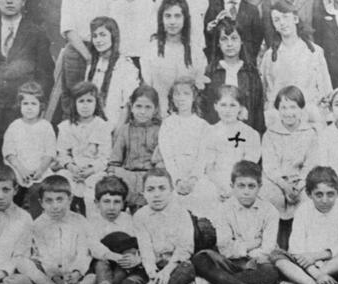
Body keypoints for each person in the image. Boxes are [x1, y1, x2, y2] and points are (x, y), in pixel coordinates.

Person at [0, 0, 54, 168]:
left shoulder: (37, 34)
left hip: (23, 113)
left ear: (23, 1)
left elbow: (45, 74)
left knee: (24, 164)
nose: (9, 1)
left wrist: (35, 107)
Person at [191, 161, 279, 284]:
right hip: (229, 262)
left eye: (251, 186)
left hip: (256, 261)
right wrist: (253, 244)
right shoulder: (224, 209)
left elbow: (268, 247)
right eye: (241, 186)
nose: (246, 191)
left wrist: (248, 253)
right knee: (200, 259)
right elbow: (225, 249)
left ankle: (212, 282)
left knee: (270, 272)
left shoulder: (270, 211)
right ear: (232, 186)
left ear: (260, 187)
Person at [271, 166, 338, 284]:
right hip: (306, 265)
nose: (325, 200)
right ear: (309, 194)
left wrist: (317, 256)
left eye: (330, 194)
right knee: (277, 256)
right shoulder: (303, 210)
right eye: (319, 195)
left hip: (333, 265)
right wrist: (317, 274)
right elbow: (296, 249)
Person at [15, 175, 97, 284]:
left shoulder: (80, 221)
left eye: (60, 200)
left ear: (70, 199)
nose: (55, 206)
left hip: (76, 272)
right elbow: (44, 256)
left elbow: (84, 251)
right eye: (49, 201)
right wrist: (55, 277)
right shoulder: (38, 225)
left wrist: (76, 273)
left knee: (93, 277)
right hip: (50, 274)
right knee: (24, 263)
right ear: (41, 203)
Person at [260, 86, 320, 246]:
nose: (288, 113)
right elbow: (270, 166)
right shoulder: (270, 134)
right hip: (277, 181)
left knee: (307, 199)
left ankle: (301, 245)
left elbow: (310, 164)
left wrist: (300, 184)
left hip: (301, 181)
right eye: (283, 108)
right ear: (278, 110)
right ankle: (273, 244)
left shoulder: (310, 133)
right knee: (271, 196)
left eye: (293, 107)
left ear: (301, 109)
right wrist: (284, 186)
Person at [59, 0, 117, 113]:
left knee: (99, 97)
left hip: (102, 50)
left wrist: (102, 53)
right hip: (77, 50)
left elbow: (110, 26)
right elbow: (68, 28)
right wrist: (87, 56)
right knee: (74, 98)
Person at [123, 168, 196, 284]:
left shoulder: (181, 213)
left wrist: (166, 272)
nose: (156, 194)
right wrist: (152, 276)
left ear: (171, 191)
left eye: (162, 188)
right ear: (143, 193)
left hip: (176, 265)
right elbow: (145, 250)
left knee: (183, 273)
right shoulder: (140, 216)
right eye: (150, 189)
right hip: (153, 267)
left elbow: (184, 249)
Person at [259, 0, 332, 127]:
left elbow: (326, 90)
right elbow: (265, 91)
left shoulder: (314, 52)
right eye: (276, 20)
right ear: (274, 25)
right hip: (280, 120)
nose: (282, 23)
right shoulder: (269, 56)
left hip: (309, 119)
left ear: (295, 19)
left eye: (285, 17)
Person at [152, 77, 217, 218]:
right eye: (177, 94)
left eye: (186, 94)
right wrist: (177, 179)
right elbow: (168, 157)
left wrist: (193, 179)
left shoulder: (203, 126)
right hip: (173, 173)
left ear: (194, 97)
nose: (181, 98)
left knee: (207, 193)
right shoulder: (167, 124)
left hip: (196, 174)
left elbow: (202, 157)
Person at [142, 0, 208, 110]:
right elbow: (148, 89)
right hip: (159, 113)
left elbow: (199, 87)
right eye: (168, 16)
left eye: (177, 16)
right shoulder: (151, 50)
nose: (172, 22)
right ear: (161, 19)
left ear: (185, 19)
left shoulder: (196, 51)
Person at [56, 81, 112, 215]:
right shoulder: (66, 126)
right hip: (73, 170)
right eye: (81, 101)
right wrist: (71, 167)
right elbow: (62, 154)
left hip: (94, 171)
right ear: (74, 103)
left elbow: (105, 157)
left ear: (96, 103)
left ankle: (91, 221)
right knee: (60, 184)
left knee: (94, 192)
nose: (85, 105)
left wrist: (90, 171)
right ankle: (64, 220)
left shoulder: (102, 126)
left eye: (89, 101)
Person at [2, 81, 56, 219]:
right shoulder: (15, 126)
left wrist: (40, 170)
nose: (29, 108)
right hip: (19, 168)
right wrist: (21, 170)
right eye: (25, 104)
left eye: (33, 104)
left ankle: (36, 220)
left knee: (38, 190)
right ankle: (12, 219)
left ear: (41, 106)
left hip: (39, 169)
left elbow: (49, 152)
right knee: (13, 189)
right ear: (19, 105)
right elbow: (9, 152)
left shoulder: (45, 127)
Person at [202, 17, 266, 134]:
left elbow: (258, 113)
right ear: (218, 43)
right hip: (217, 135)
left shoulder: (251, 74)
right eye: (224, 39)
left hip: (245, 135)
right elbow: (205, 110)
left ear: (241, 41)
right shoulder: (211, 73)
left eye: (234, 38)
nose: (229, 44)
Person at [106, 85, 163, 211]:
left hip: (150, 177)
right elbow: (114, 161)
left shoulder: (160, 131)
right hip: (127, 176)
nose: (142, 112)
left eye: (148, 107)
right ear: (131, 107)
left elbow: (161, 161)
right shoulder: (125, 130)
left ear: (155, 109)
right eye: (138, 106)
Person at [203, 85, 263, 204]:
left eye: (232, 105)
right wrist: (220, 186)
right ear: (216, 106)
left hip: (242, 180)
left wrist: (233, 189)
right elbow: (209, 167)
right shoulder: (210, 132)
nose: (227, 110)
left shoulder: (250, 134)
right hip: (216, 180)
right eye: (223, 105)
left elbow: (248, 168)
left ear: (240, 107)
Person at [88, 176, 143, 284]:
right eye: (106, 201)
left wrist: (136, 258)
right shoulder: (92, 222)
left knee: (130, 249)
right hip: (104, 259)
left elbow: (139, 242)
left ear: (123, 204)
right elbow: (93, 246)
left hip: (125, 264)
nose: (111, 207)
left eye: (117, 202)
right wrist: (113, 256)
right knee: (100, 264)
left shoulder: (128, 220)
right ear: (97, 203)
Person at [85, 16, 141, 132]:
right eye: (95, 36)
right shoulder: (92, 67)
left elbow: (127, 107)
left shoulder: (125, 67)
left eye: (103, 35)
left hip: (116, 128)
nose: (98, 40)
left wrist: (117, 135)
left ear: (113, 36)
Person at [204, 0, 264, 64]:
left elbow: (256, 40)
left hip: (246, 63)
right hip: (219, 64)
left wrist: (248, 60)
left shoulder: (252, 10)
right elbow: (207, 41)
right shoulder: (212, 8)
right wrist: (210, 30)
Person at [108, 0, 157, 75]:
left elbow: (154, 36)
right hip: (120, 61)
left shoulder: (149, 5)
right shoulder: (113, 7)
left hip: (144, 60)